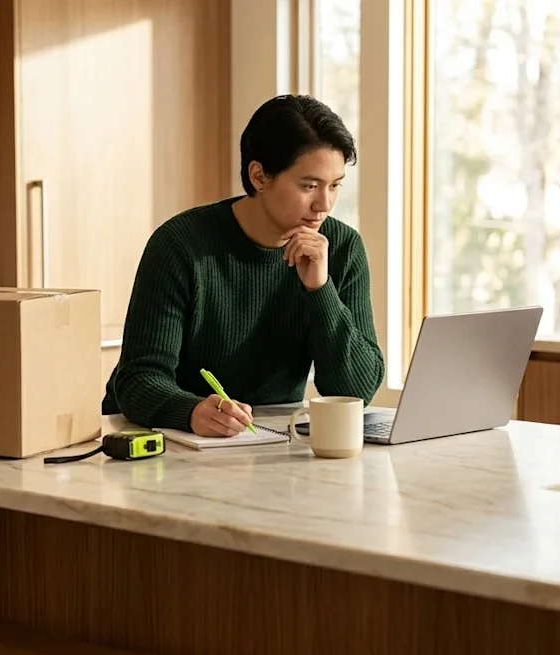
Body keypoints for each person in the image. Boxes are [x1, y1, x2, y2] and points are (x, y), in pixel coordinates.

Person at [101, 94, 385, 437]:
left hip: (270, 442)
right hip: (164, 441)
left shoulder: (340, 248)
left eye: (335, 186)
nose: (324, 204)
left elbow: (356, 392)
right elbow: (137, 380)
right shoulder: (180, 245)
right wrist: (190, 411)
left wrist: (320, 290)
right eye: (309, 186)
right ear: (259, 176)